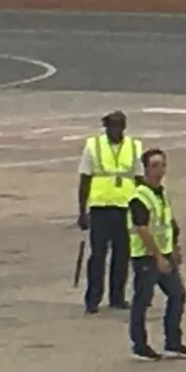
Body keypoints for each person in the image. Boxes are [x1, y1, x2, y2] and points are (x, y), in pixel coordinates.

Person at [127, 149, 186, 362]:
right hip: (147, 257)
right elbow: (142, 228)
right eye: (154, 166)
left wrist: (174, 247)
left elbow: (168, 222)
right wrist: (157, 256)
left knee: (178, 294)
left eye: (162, 165)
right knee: (143, 301)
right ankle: (140, 346)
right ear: (146, 169)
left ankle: (173, 343)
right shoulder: (140, 196)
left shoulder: (161, 193)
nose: (159, 170)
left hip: (165, 254)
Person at [76, 110, 143, 315]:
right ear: (105, 128)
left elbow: (139, 178)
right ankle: (93, 298)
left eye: (119, 125)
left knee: (122, 255)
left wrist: (142, 209)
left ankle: (117, 296)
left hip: (125, 206)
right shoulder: (93, 146)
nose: (116, 130)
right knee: (98, 255)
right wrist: (82, 211)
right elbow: (85, 180)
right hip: (101, 207)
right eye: (112, 126)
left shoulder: (134, 146)